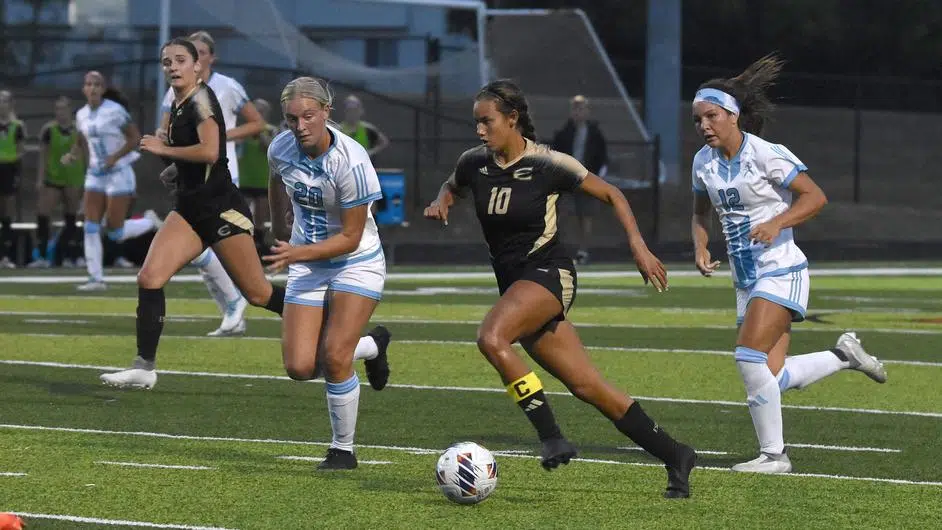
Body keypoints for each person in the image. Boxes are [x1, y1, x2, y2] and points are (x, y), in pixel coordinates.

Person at [423, 79, 696, 499]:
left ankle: (550, 435)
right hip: (516, 286)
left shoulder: (549, 164)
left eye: (487, 122)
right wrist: (442, 200)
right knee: (588, 387)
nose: (480, 131)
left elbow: (612, 194)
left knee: (491, 338)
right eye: (476, 122)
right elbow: (452, 185)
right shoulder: (473, 162)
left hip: (550, 275)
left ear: (512, 119)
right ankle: (676, 454)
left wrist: (638, 247)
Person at [690, 54, 887, 474]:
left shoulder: (765, 154)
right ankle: (843, 356)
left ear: (733, 115)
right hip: (746, 279)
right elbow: (700, 212)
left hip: (781, 268)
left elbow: (815, 197)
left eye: (711, 116)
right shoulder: (702, 163)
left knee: (747, 356)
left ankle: (774, 456)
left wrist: (776, 222)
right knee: (771, 377)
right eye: (698, 119)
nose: (703, 125)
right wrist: (700, 247)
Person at [98, 38, 286, 390]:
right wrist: (175, 170)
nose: (171, 66)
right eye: (166, 61)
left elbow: (212, 152)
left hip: (218, 209)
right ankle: (144, 366)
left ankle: (323, 321)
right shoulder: (179, 101)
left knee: (258, 294)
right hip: (189, 208)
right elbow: (194, 157)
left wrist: (164, 149)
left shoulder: (201, 100)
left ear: (197, 65)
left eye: (179, 60)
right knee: (149, 278)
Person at [266, 76, 392, 471]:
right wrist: (278, 224)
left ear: (326, 113)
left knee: (335, 357)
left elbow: (352, 237)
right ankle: (371, 345)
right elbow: (275, 179)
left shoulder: (351, 160)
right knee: (300, 367)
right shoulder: (281, 147)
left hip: (357, 261)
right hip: (305, 259)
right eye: (291, 119)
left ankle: (343, 450)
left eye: (308, 116)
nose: (300, 126)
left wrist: (296, 251)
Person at [159, 30, 267, 337]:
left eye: (200, 52)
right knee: (199, 251)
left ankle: (238, 303)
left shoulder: (226, 87)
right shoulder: (177, 89)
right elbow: (167, 130)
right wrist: (169, 155)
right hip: (190, 176)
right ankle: (235, 306)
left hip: (219, 175)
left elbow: (257, 122)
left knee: (225, 261)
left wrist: (221, 136)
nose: (194, 57)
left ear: (209, 57)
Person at [66, 73, 158, 289]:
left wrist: (114, 157)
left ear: (103, 88)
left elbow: (135, 138)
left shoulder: (115, 111)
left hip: (119, 171)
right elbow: (81, 140)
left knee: (114, 232)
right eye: (89, 84)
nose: (93, 88)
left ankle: (149, 222)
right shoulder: (81, 114)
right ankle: (96, 278)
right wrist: (73, 155)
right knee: (90, 226)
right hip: (95, 174)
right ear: (84, 89)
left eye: (97, 84)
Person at [551, 95, 608, 265]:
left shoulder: (595, 133)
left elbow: (602, 157)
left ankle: (583, 251)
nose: (578, 112)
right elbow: (555, 155)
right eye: (575, 108)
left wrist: (598, 177)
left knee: (586, 216)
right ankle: (554, 249)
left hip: (587, 179)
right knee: (562, 213)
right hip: (568, 179)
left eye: (581, 108)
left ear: (587, 111)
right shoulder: (564, 132)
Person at [29, 96, 85, 268]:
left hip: (73, 178)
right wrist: (40, 179)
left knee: (71, 218)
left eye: (64, 108)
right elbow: (43, 155)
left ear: (70, 110)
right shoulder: (49, 129)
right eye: (58, 109)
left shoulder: (80, 129)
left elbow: (85, 152)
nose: (61, 112)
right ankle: (42, 256)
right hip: (53, 178)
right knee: (43, 214)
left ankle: (70, 256)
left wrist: (87, 174)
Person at [237, 97, 277, 255]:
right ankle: (243, 245)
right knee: (243, 215)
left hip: (262, 180)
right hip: (245, 179)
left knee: (260, 217)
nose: (258, 113)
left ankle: (260, 246)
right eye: (256, 110)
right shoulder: (243, 129)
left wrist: (259, 131)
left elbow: (269, 147)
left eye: (261, 111)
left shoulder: (271, 130)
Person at [0, 90, 26, 268]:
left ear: (10, 104)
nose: (2, 104)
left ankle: (5, 256)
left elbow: (21, 150)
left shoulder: (17, 126)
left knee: (7, 213)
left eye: (4, 101)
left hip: (9, 169)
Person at [339, 95, 389, 159]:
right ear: (345, 111)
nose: (352, 113)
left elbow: (383, 142)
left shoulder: (367, 128)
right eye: (349, 111)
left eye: (355, 110)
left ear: (360, 111)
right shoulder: (338, 129)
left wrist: (371, 152)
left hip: (364, 165)